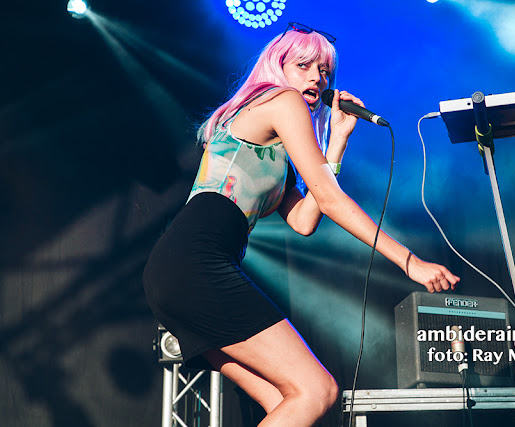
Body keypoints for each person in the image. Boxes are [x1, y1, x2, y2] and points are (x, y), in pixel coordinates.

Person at [143, 22, 460, 427]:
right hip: (195, 263)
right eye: (304, 65)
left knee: (286, 401)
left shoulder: (269, 141)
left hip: (175, 271)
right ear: (277, 66)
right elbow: (329, 199)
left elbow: (304, 220)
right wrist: (409, 261)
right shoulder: (282, 99)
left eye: (325, 71)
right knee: (317, 390)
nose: (317, 78)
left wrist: (337, 142)